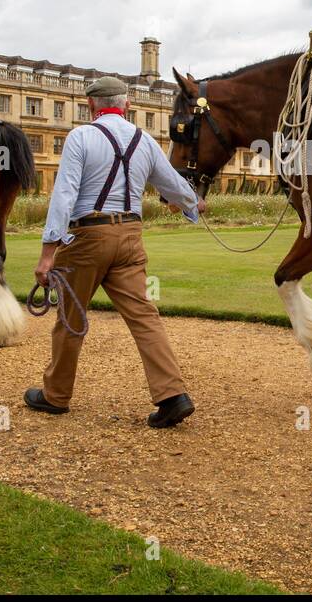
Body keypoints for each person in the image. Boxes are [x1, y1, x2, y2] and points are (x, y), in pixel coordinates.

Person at [25, 76, 207, 428]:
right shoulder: (145, 141)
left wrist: (48, 254)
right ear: (126, 105)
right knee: (144, 317)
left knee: (70, 320)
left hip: (87, 240)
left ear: (91, 105)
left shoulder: (80, 137)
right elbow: (171, 182)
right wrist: (193, 204)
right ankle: (172, 396)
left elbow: (64, 196)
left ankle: (56, 396)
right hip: (130, 237)